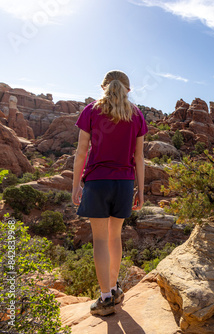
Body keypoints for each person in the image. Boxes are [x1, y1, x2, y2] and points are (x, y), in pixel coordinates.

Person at [72, 70, 148, 316]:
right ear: (128, 90)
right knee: (115, 237)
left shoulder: (91, 111)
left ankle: (105, 298)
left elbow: (81, 151)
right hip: (124, 183)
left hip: (98, 181)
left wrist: (75, 185)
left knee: (101, 240)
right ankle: (114, 290)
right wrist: (141, 191)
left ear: (103, 87)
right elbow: (139, 157)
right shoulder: (136, 115)